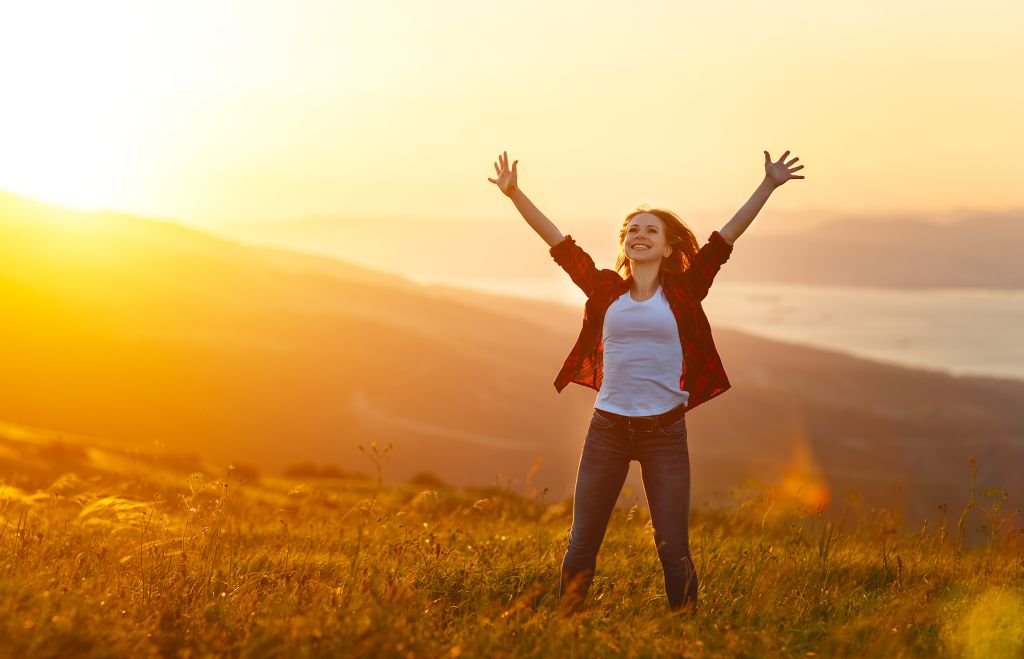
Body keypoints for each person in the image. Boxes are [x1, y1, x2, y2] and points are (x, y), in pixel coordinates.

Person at [487, 149, 805, 615]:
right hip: (607, 431)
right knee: (581, 543)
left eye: (650, 230)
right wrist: (514, 194)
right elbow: (558, 243)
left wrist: (769, 184)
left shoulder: (686, 290)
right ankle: (565, 626)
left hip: (665, 434)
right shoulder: (604, 289)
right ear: (625, 244)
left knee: (673, 548)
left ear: (668, 248)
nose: (639, 235)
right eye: (632, 229)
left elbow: (726, 237)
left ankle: (686, 629)